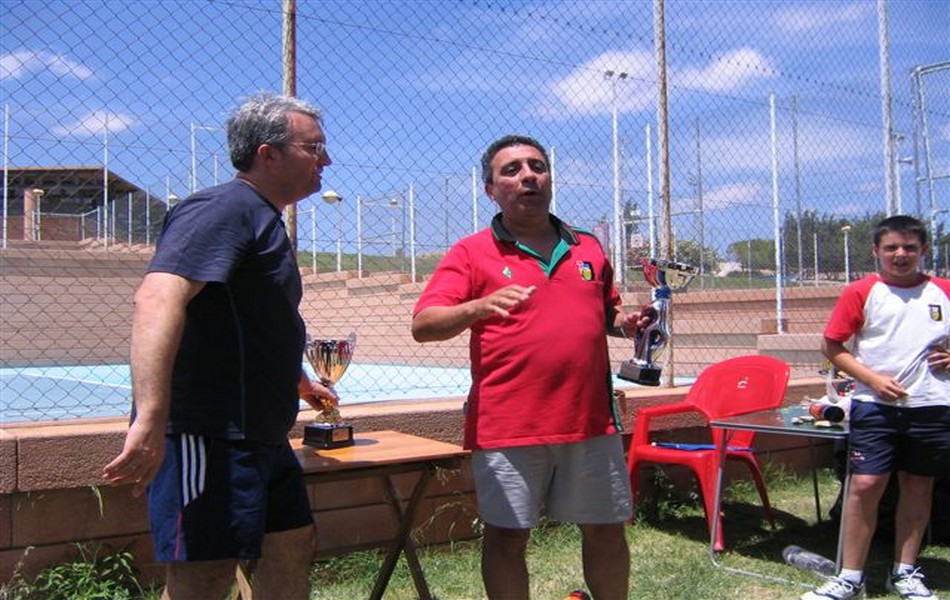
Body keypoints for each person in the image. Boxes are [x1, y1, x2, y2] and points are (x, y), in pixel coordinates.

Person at [102, 92, 336, 600]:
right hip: (209, 433)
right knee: (204, 574)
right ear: (268, 154)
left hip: (259, 432)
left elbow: (248, 319)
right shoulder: (222, 208)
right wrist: (151, 416)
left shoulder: (261, 216)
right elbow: (157, 297)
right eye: (314, 148)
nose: (327, 160)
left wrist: (298, 381)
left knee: (292, 543)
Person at [411, 135, 653, 600]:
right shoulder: (470, 252)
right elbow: (424, 324)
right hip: (508, 427)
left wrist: (626, 323)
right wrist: (477, 307)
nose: (528, 176)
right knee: (507, 538)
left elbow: (607, 312)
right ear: (491, 190)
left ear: (550, 179)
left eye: (537, 166)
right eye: (512, 169)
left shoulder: (587, 247)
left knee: (606, 530)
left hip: (590, 422)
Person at [803, 215, 949, 600]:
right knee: (865, 485)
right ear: (876, 252)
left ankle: (904, 573)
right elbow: (832, 345)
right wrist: (872, 379)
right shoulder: (862, 291)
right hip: (875, 407)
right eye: (891, 248)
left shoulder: (944, 290)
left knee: (918, 485)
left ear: (923, 250)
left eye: (909, 247)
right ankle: (850, 577)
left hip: (932, 406)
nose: (900, 254)